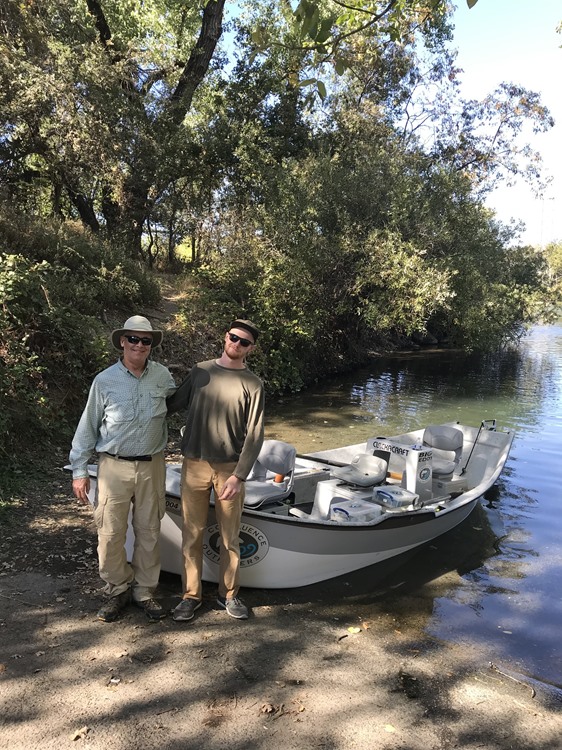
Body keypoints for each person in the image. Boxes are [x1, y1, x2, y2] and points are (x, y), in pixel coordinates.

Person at [69, 315, 176, 622]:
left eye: (145, 341)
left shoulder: (162, 376)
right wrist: (79, 470)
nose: (139, 345)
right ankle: (117, 589)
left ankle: (144, 592)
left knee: (149, 531)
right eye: (133, 339)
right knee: (110, 532)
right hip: (113, 467)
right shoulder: (104, 381)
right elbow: (87, 426)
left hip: (152, 466)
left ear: (151, 346)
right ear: (122, 342)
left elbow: (176, 402)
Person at [167, 319, 265, 622]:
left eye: (244, 342)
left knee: (229, 537)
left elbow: (255, 434)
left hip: (229, 471)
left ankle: (229, 595)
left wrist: (239, 475)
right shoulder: (200, 371)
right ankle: (190, 596)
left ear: (251, 348)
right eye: (234, 337)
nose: (236, 344)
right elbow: (170, 404)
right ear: (225, 337)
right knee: (191, 534)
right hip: (194, 465)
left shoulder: (253, 384)